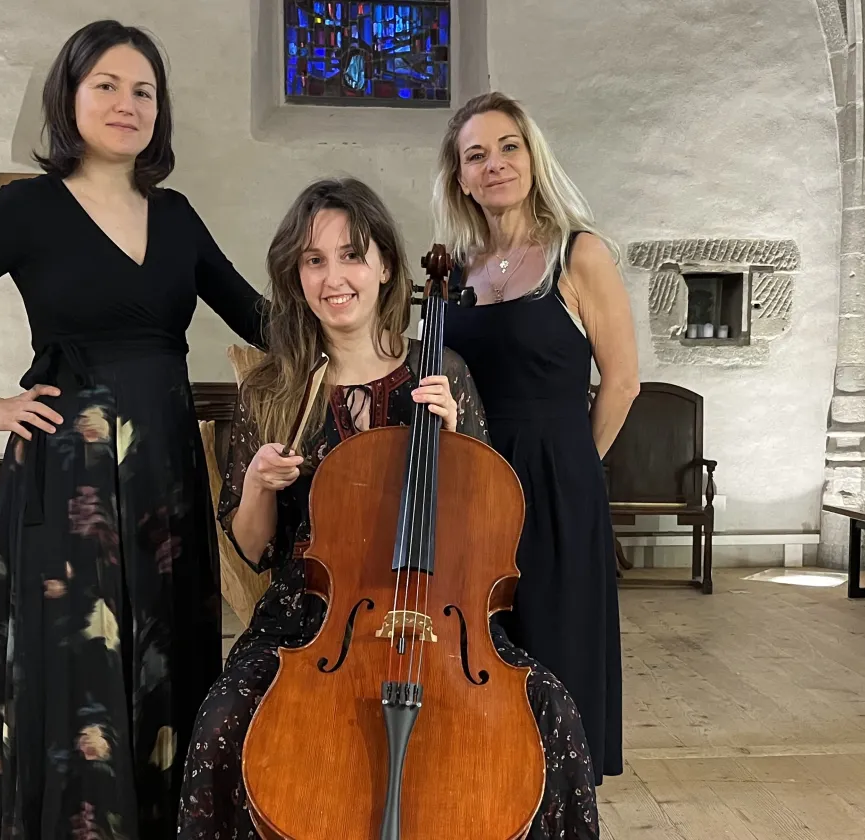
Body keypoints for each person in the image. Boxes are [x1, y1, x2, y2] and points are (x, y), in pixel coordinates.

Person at [0, 20, 268, 840]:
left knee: (169, 656)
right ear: (69, 96)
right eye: (106, 85)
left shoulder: (176, 216)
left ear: (159, 112)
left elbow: (259, 320)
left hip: (165, 478)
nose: (127, 104)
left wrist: (368, 318)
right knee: (78, 670)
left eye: (144, 91)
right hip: (70, 482)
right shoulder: (24, 208)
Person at [176, 177, 600, 839]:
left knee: (553, 710)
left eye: (351, 255)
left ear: (384, 268)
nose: (333, 276)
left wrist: (456, 438)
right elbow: (254, 547)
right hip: (312, 619)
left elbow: (486, 523)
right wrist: (258, 482)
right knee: (224, 716)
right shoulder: (273, 388)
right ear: (296, 276)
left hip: (438, 610)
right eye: (314, 260)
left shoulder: (443, 373)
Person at [432, 91, 640, 785]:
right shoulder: (455, 272)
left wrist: (577, 465)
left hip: (554, 477)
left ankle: (560, 803)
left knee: (554, 647)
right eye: (477, 155)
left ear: (533, 156)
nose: (495, 165)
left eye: (509, 148)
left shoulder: (580, 253)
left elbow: (622, 382)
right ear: (460, 176)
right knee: (484, 647)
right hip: (471, 479)